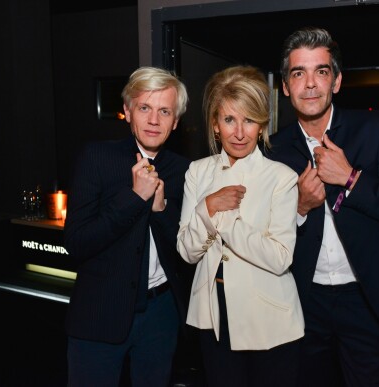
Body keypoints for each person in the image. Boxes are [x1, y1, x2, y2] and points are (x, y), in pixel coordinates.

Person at [267, 27, 379, 386]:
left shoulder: (377, 128)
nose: (310, 84)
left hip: (365, 298)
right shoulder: (273, 150)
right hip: (304, 301)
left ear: (336, 81)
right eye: (298, 73)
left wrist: (352, 179)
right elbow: (264, 233)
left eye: (321, 71)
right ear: (286, 87)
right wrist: (300, 210)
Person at [63, 66, 192, 387]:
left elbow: (186, 249)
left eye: (164, 111)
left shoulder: (184, 170)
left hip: (161, 314)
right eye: (144, 108)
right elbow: (77, 243)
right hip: (100, 314)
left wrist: (160, 209)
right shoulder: (96, 157)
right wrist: (135, 198)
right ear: (127, 111)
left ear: (175, 121)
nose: (153, 120)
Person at [176, 65, 304, 387]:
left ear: (262, 126)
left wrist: (226, 220)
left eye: (249, 120)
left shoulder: (282, 178)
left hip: (269, 318)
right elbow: (187, 252)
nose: (239, 132)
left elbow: (280, 257)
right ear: (215, 125)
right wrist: (207, 207)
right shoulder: (197, 172)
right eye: (229, 119)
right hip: (213, 313)